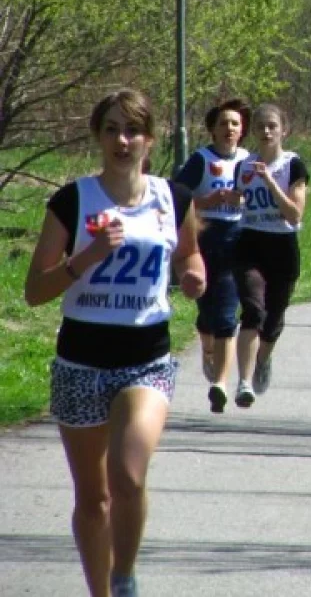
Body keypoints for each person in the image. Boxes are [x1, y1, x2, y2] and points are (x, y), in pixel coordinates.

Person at [24, 89, 205, 597]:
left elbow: (190, 255)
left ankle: (123, 577)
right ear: (98, 136)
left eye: (132, 131)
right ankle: (99, 591)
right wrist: (87, 257)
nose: (122, 141)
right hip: (80, 361)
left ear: (150, 139)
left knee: (127, 475)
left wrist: (194, 276)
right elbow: (35, 290)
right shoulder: (73, 201)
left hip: (145, 359)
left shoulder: (174, 199)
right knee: (94, 497)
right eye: (111, 130)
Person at [173, 98, 250, 413]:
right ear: (213, 129)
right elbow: (177, 198)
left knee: (227, 314)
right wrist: (208, 199)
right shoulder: (200, 160)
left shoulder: (249, 160)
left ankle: (219, 384)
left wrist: (242, 199)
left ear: (242, 130)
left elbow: (258, 198)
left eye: (234, 124)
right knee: (207, 311)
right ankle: (206, 346)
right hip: (204, 239)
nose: (229, 129)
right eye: (223, 124)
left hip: (237, 238)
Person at [231, 104, 309, 408]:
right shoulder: (243, 166)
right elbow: (238, 200)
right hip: (249, 243)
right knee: (253, 310)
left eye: (272, 126)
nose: (266, 132)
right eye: (261, 126)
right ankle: (243, 382)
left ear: (283, 131)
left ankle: (263, 357)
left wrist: (271, 182)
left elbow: (294, 213)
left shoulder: (294, 165)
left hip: (283, 245)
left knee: (274, 318)